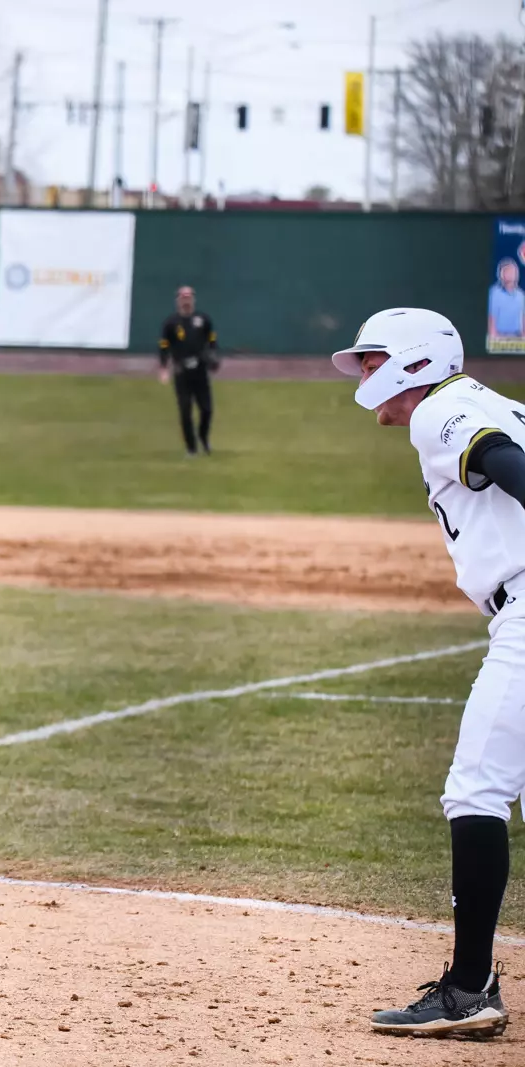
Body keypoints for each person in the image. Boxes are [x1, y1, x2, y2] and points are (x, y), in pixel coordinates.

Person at [332, 308, 517, 1040]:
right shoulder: (492, 401)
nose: (364, 374)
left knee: (476, 790)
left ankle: (468, 990)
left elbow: (499, 459)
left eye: (373, 360)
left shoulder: (440, 409)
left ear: (414, 362)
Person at [158, 285, 219, 456]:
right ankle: (191, 448)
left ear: (193, 299)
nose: (186, 302)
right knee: (185, 411)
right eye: (183, 298)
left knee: (207, 409)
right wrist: (164, 367)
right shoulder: (171, 323)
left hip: (200, 371)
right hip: (182, 372)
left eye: (189, 298)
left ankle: (203, 437)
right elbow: (164, 346)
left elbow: (212, 340)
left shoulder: (203, 319)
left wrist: (213, 357)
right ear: (177, 301)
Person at [487, 258, 523, 340]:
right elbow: (491, 319)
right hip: (499, 337)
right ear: (500, 274)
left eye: (513, 272)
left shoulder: (521, 295)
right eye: (507, 271)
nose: (511, 274)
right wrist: (494, 339)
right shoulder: (494, 294)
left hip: (517, 337)